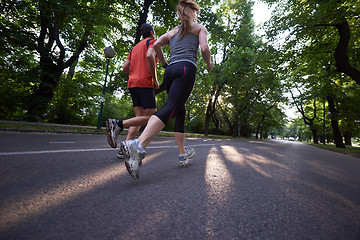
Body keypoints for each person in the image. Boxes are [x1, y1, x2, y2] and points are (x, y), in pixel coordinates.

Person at [120, 0, 213, 179]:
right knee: (170, 108)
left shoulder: (172, 32)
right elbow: (204, 48)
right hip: (186, 69)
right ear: (193, 13)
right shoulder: (199, 28)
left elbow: (155, 46)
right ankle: (137, 146)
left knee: (179, 109)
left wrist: (163, 63)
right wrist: (208, 63)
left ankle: (182, 152)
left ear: (180, 14)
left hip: (170, 72)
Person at [106, 23, 162, 159]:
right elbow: (149, 57)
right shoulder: (152, 42)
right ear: (151, 32)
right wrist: (154, 79)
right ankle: (118, 124)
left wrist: (135, 73)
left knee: (138, 119)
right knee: (151, 118)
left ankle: (123, 148)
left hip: (132, 84)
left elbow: (125, 67)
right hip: (144, 83)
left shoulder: (135, 48)